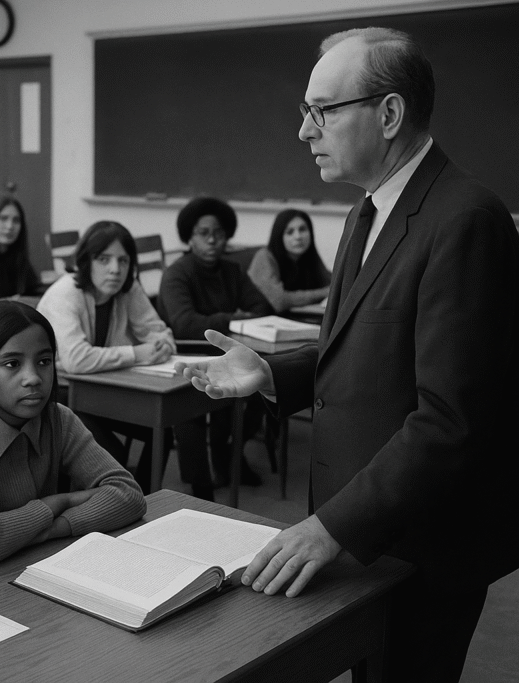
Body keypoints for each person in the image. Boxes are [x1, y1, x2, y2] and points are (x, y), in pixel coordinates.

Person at [176, 28, 519, 683]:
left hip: (423, 543)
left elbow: (449, 418)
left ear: (388, 113)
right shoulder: (369, 211)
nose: (305, 132)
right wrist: (272, 373)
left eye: (322, 111)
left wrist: (329, 527)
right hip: (372, 531)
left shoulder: (465, 219)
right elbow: (373, 347)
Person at [0, 301, 146, 569]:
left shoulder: (57, 419)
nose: (33, 378)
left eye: (44, 361)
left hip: (41, 566)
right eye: (12, 364)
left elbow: (129, 495)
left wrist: (53, 529)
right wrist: (56, 503)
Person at [37, 220, 175, 490]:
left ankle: (146, 501)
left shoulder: (127, 288)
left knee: (160, 429)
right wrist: (137, 353)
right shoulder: (65, 294)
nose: (115, 270)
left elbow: (159, 331)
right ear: (86, 261)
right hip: (60, 396)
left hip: (101, 391)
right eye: (104, 259)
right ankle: (119, 505)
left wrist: (162, 346)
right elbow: (76, 360)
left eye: (123, 261)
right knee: (112, 453)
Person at [157, 197, 271, 499]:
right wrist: (234, 318)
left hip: (224, 353)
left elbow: (262, 306)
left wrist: (221, 322)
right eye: (203, 233)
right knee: (189, 399)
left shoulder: (231, 271)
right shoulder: (177, 273)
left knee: (263, 388)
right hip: (185, 355)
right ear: (189, 237)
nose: (211, 240)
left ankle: (229, 454)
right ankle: (200, 483)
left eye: (218, 233)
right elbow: (184, 325)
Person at [247, 209, 331, 313]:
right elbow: (279, 301)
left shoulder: (309, 257)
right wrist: (324, 293)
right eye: (289, 232)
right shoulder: (265, 256)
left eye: (302, 229)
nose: (298, 237)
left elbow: (332, 284)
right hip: (254, 322)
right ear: (279, 236)